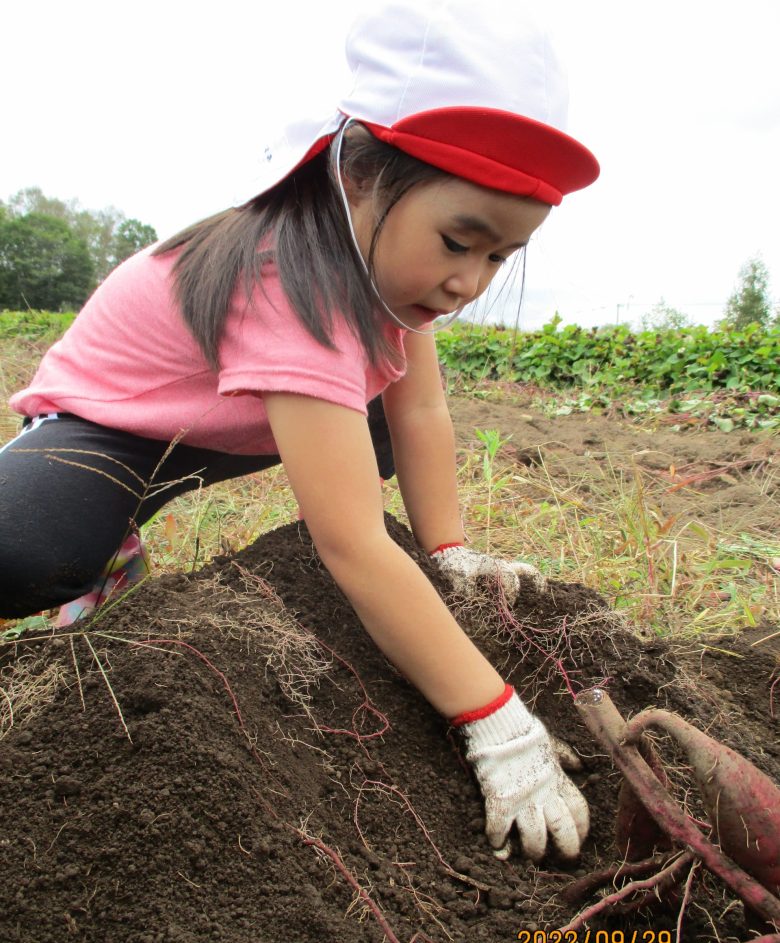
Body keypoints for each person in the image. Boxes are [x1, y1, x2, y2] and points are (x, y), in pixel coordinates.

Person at [0, 1, 599, 862]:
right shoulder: (290, 278)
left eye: (499, 257)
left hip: (229, 423)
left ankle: (109, 528)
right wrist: (496, 722)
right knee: (28, 550)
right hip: (112, 432)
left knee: (384, 424)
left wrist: (450, 550)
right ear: (359, 176)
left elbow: (422, 411)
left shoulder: (387, 272)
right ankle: (95, 535)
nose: (471, 280)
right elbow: (351, 545)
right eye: (460, 241)